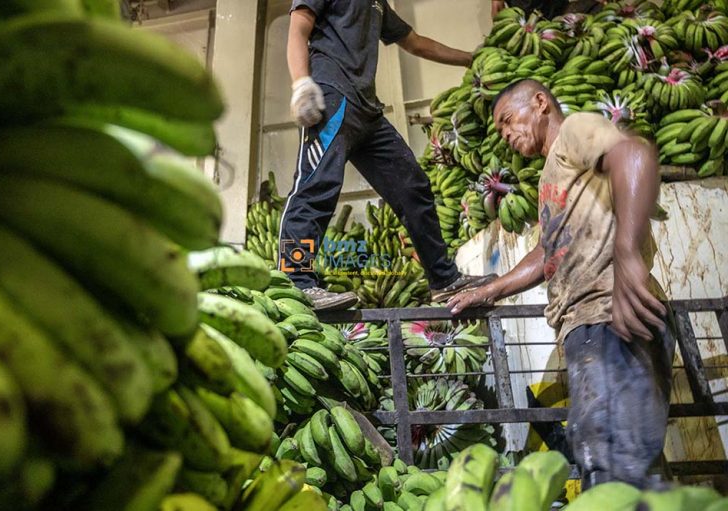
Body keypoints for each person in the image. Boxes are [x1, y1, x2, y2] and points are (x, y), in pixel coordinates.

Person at [448, 79, 675, 489]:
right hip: (591, 323)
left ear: (540, 103)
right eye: (500, 130)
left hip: (609, 314)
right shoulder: (552, 173)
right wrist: (489, 290)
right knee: (629, 461)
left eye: (508, 120)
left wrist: (627, 251)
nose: (506, 134)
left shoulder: (574, 131)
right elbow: (547, 251)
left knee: (610, 459)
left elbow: (633, 155)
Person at [280, 0, 496, 311]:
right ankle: (297, 281)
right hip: (332, 97)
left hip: (368, 111)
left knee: (413, 186)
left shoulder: (377, 4)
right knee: (316, 189)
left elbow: (416, 43)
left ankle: (443, 278)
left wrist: (469, 59)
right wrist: (301, 83)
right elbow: (298, 28)